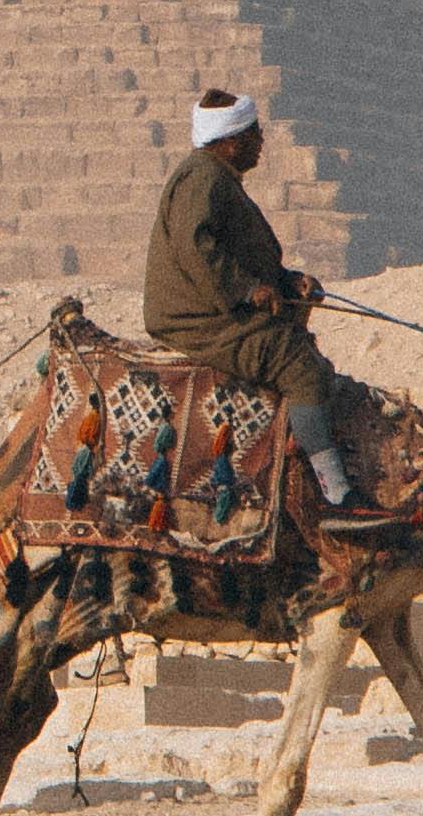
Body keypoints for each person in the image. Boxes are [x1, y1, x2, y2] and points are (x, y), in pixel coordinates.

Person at [141, 84, 372, 513]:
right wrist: (247, 290)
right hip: (194, 317)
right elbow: (198, 248)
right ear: (229, 143)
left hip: (211, 306)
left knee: (305, 355)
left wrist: (286, 282)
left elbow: (237, 254)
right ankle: (337, 494)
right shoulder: (202, 180)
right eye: (253, 135)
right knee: (297, 364)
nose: (262, 143)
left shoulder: (216, 178)